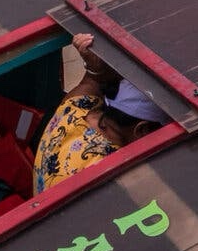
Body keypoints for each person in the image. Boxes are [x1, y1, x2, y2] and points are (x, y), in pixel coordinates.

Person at [33, 33, 166, 194]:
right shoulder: (111, 173)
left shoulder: (75, 110)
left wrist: (93, 63)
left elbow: (93, 79)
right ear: (142, 130)